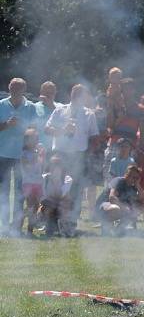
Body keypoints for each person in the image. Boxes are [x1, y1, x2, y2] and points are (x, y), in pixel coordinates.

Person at [45, 84, 99, 227]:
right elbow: (47, 129)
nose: (77, 96)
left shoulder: (89, 114)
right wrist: (62, 130)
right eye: (75, 93)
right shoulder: (60, 110)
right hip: (60, 156)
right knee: (55, 187)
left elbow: (94, 137)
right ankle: (52, 221)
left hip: (78, 157)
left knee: (75, 189)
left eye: (81, 94)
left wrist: (87, 155)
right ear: (71, 94)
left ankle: (71, 222)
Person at [0, 77, 39, 235]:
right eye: (12, 88)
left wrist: (30, 135)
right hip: (2, 154)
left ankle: (16, 226)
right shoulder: (1, 105)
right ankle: (3, 225)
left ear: (24, 90)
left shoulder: (30, 107)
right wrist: (6, 125)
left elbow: (35, 130)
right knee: (3, 191)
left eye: (18, 88)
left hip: (23, 156)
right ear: (9, 88)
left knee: (20, 192)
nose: (14, 91)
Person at [94, 164, 144, 236]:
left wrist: (138, 185)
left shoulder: (133, 187)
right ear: (126, 174)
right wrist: (124, 207)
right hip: (102, 208)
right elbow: (112, 198)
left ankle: (119, 229)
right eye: (129, 175)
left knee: (140, 206)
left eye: (135, 177)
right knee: (116, 209)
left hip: (116, 208)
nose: (131, 178)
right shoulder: (118, 181)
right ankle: (105, 227)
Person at [39, 154, 73, 237]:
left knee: (65, 203)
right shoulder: (44, 178)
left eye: (58, 164)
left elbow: (63, 196)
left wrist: (57, 180)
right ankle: (48, 225)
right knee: (48, 206)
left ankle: (64, 228)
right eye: (53, 165)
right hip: (47, 206)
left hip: (59, 205)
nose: (55, 167)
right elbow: (42, 197)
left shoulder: (67, 179)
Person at [19, 128, 44, 235]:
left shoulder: (38, 152)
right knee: (30, 206)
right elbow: (27, 166)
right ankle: (18, 224)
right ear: (26, 140)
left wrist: (41, 155)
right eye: (32, 138)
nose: (35, 141)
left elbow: (41, 166)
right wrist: (37, 156)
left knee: (35, 207)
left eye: (36, 138)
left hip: (38, 182)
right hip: (28, 183)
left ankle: (30, 230)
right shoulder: (24, 153)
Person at [35, 81, 63, 153]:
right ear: (41, 92)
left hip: (57, 149)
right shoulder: (34, 107)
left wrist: (50, 105)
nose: (49, 95)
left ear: (55, 93)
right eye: (46, 93)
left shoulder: (61, 107)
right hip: (39, 149)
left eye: (51, 93)